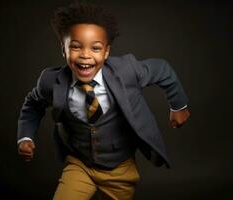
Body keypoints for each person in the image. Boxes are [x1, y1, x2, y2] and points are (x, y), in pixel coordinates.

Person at [17, 2, 190, 200]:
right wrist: (25, 137)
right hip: (80, 165)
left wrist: (179, 106)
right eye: (75, 46)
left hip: (120, 169)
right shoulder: (50, 81)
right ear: (63, 49)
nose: (85, 55)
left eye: (95, 48)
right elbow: (33, 104)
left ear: (106, 52)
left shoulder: (126, 71)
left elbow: (162, 70)